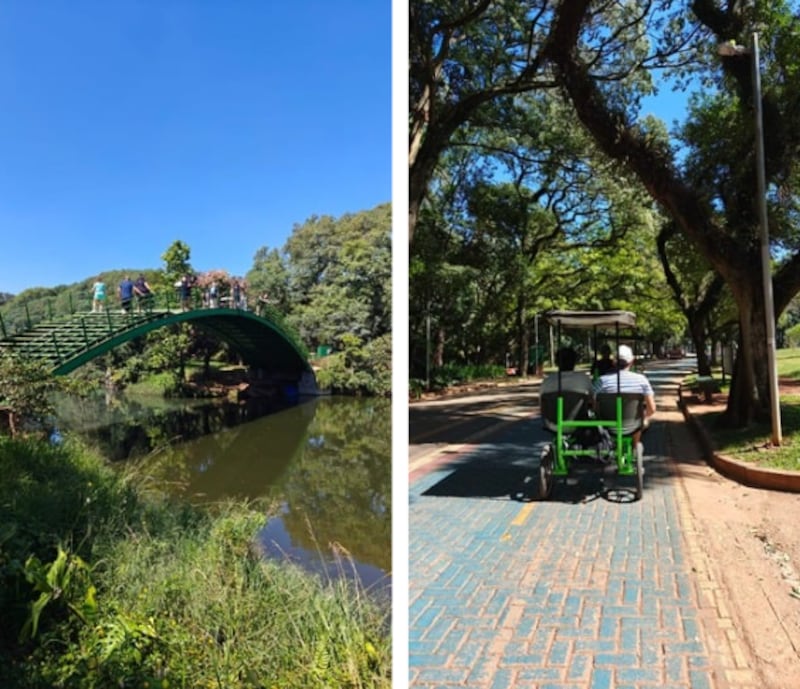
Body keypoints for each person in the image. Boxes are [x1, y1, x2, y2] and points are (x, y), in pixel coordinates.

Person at [593, 344, 656, 447]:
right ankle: (635, 445)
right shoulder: (641, 380)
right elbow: (652, 409)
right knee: (643, 421)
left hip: (608, 425)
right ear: (631, 361)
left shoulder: (601, 381)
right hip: (633, 426)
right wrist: (645, 417)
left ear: (613, 362)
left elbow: (594, 405)